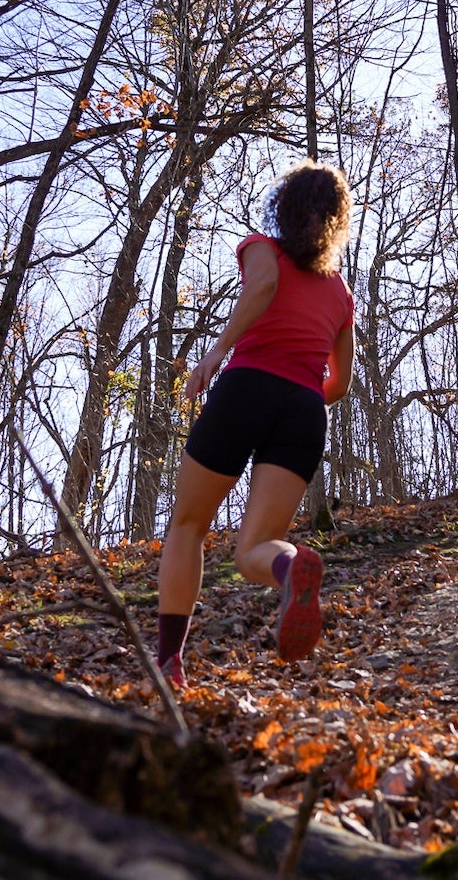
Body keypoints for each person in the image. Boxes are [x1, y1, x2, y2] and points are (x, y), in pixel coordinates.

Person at [153, 161, 355, 688]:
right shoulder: (340, 294)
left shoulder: (262, 247)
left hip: (247, 387)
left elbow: (263, 285)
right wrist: (297, 400)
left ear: (285, 208)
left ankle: (170, 661)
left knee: (189, 525)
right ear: (337, 220)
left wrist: (215, 353)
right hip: (306, 409)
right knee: (255, 551)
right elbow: (341, 383)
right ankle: (291, 568)